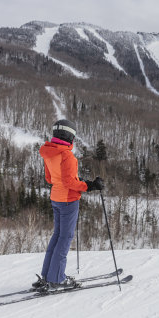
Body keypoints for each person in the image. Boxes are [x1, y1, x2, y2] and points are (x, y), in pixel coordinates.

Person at [32, 119, 104, 291]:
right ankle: (56, 278)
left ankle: (47, 276)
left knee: (57, 236)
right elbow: (70, 182)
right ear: (69, 136)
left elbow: (50, 179)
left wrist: (81, 182)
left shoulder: (49, 153)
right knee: (65, 238)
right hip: (68, 200)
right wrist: (90, 185)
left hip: (56, 197)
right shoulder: (67, 156)